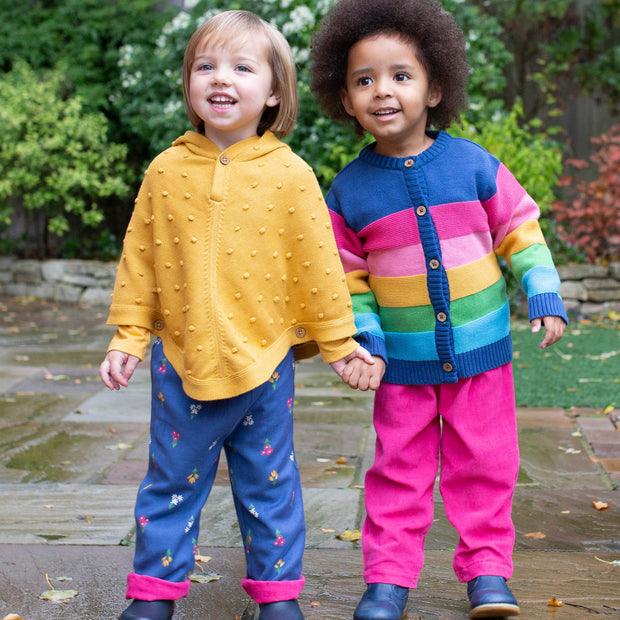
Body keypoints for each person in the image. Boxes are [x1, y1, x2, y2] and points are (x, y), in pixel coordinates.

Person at [100, 10, 373, 620]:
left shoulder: (291, 174)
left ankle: (278, 598)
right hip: (182, 360)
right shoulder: (165, 171)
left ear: (274, 91)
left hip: (267, 362)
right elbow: (142, 259)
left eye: (242, 67)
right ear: (189, 84)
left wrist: (339, 342)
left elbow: (317, 265)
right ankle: (153, 596)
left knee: (270, 488)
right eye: (206, 66)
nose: (221, 78)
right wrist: (129, 335)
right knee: (169, 487)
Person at [310, 0, 567, 618]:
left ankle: (487, 574)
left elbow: (520, 228)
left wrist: (543, 290)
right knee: (398, 475)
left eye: (401, 75)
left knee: (487, 465)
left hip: (481, 356)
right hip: (401, 365)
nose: (383, 91)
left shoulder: (473, 164)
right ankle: (389, 581)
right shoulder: (348, 192)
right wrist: (366, 340)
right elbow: (349, 279)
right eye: (364, 79)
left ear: (435, 87)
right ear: (344, 99)